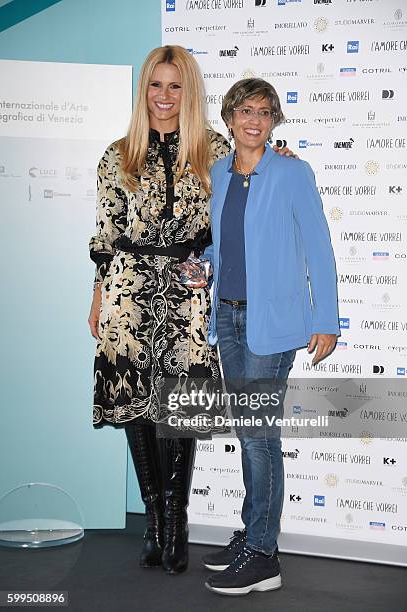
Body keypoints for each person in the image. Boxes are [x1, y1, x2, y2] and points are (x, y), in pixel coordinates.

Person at [88, 47, 294, 575]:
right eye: (155, 85)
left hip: (189, 291)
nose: (164, 96)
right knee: (136, 406)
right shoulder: (117, 154)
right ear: (144, 90)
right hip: (128, 292)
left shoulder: (215, 149)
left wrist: (281, 160)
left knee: (179, 406)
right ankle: (154, 523)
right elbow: (107, 233)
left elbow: (254, 184)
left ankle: (177, 522)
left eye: (175, 86)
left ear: (190, 92)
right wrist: (98, 296)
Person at [201, 78, 339, 595]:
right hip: (229, 321)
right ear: (230, 117)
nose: (254, 121)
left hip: (273, 324)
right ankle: (255, 536)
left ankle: (263, 555)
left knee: (260, 438)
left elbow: (319, 249)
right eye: (244, 111)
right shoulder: (219, 172)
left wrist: (327, 319)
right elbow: (226, 245)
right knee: (249, 435)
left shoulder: (292, 172)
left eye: (263, 112)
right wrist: (205, 268)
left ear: (274, 120)